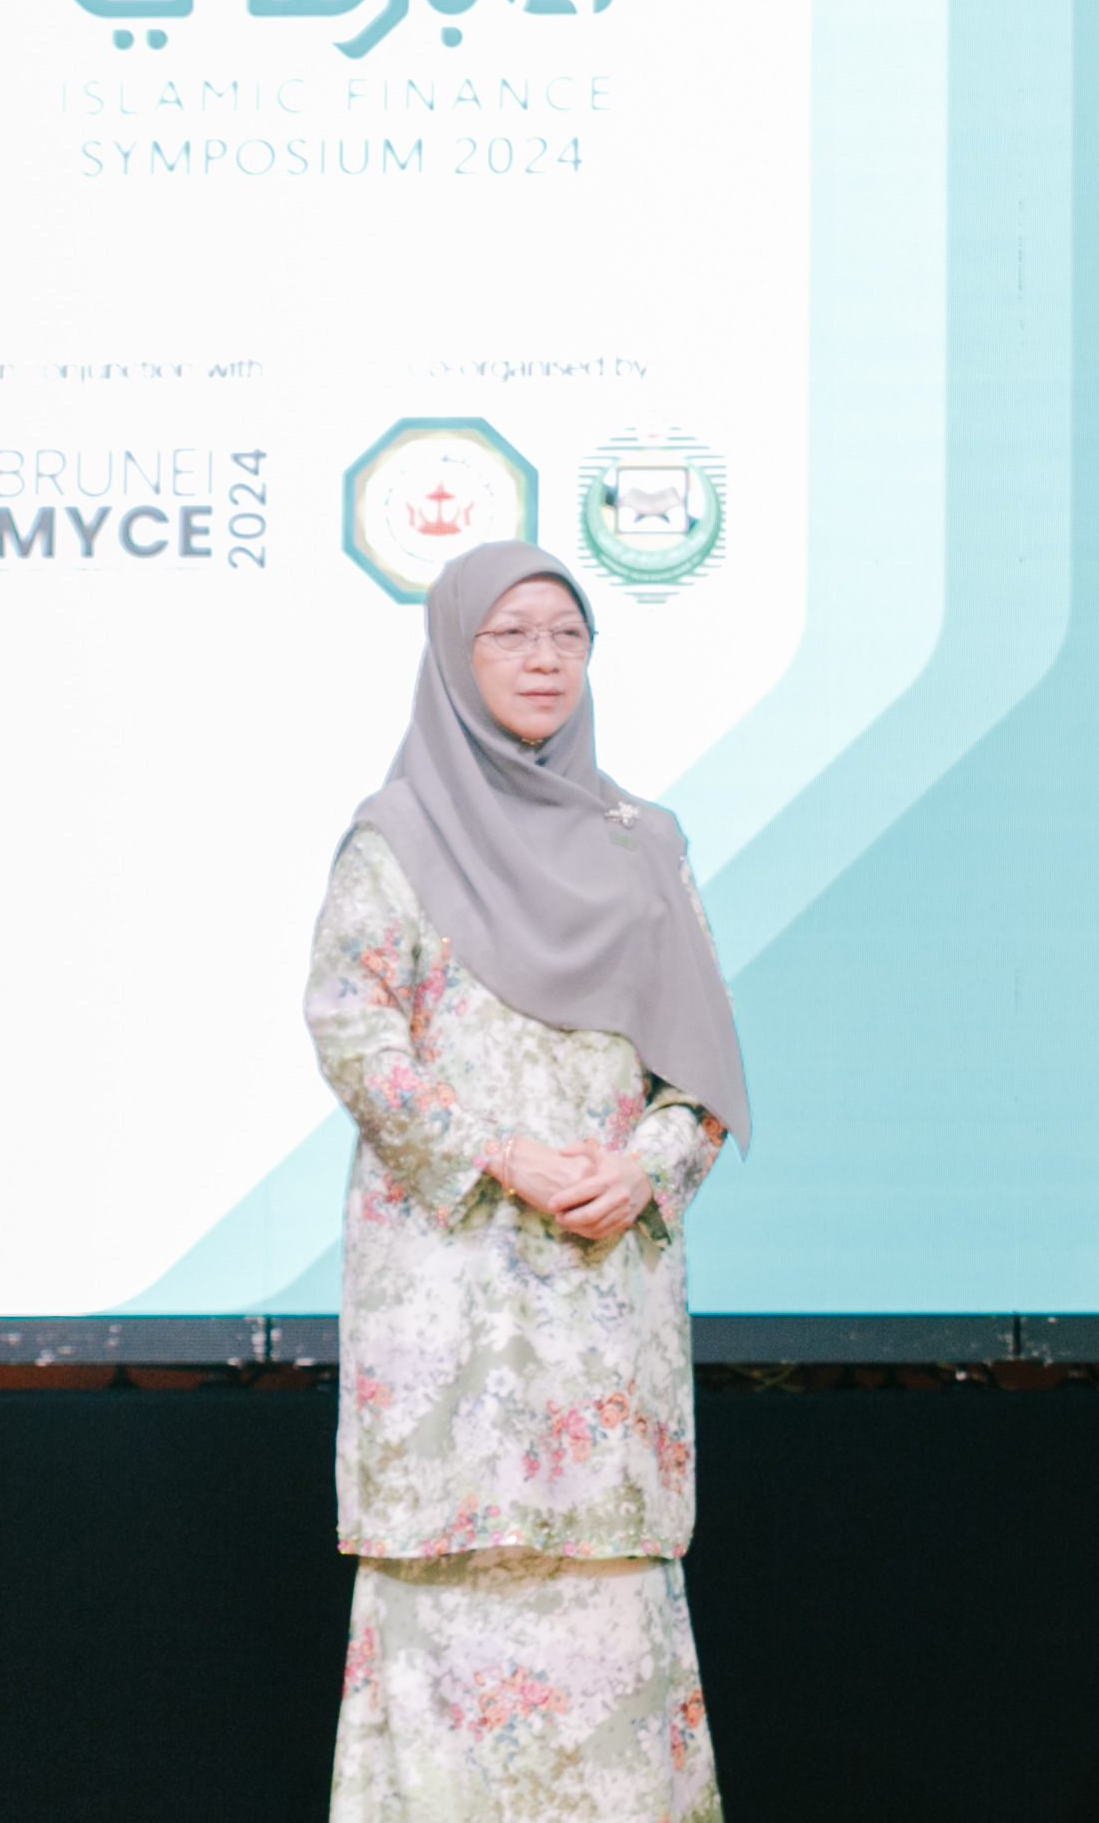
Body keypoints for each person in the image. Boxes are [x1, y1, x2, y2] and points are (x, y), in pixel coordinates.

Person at [305, 540, 747, 1821]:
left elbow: (703, 1069)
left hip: (602, 1300)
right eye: (511, 634)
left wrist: (647, 1169)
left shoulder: (645, 842)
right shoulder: (394, 841)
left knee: (607, 1614)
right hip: (452, 1299)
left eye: (567, 633)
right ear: (454, 654)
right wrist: (497, 1151)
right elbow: (352, 1028)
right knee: (446, 1617)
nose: (545, 658)